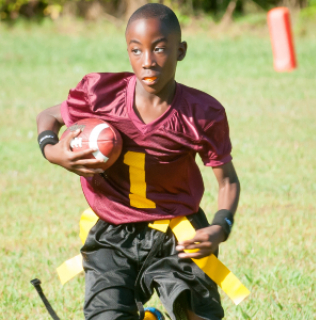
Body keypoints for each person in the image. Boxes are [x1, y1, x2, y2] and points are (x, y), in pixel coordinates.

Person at [36, 3, 240, 320]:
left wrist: (220, 227)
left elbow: (227, 179)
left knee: (199, 316)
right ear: (128, 52)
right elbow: (48, 116)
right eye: (136, 50)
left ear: (180, 51)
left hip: (178, 232)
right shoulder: (101, 95)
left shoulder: (202, 112)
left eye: (159, 49)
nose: (147, 62)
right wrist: (52, 150)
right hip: (113, 232)